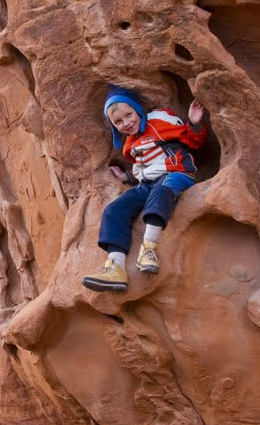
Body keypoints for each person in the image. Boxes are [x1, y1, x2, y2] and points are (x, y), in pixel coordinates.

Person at [81, 86, 208, 292]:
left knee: (161, 192)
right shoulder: (130, 144)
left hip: (176, 173)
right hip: (148, 183)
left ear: (138, 109)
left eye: (129, 115)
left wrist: (193, 123)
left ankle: (148, 249)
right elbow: (144, 170)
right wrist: (127, 177)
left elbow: (192, 141)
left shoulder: (159, 121)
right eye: (118, 122)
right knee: (114, 210)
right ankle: (116, 268)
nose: (126, 123)